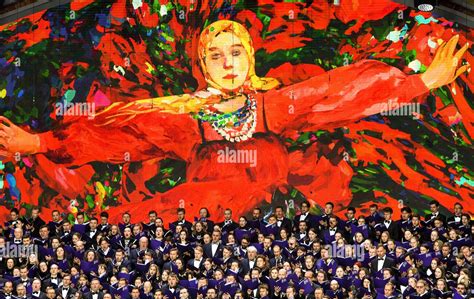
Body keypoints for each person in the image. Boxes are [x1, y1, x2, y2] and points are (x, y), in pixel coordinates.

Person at [0, 21, 468, 223]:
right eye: (216, 56)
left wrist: (423, 82)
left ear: (251, 57)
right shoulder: (184, 118)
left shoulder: (275, 106)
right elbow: (118, 135)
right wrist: (38, 144)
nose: (228, 63)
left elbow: (341, 95)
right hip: (202, 224)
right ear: (202, 65)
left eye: (237, 52)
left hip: (270, 222)